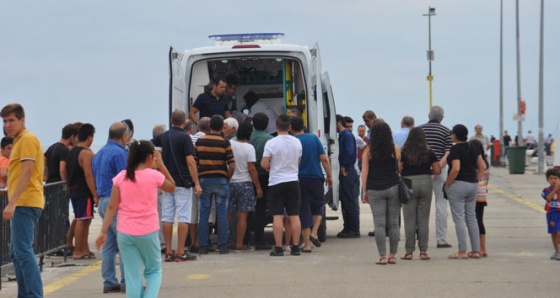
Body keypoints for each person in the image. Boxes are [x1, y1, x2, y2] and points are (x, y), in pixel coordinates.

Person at [95, 141, 175, 298]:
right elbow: (172, 187)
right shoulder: (154, 176)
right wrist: (162, 166)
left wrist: (103, 232)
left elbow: (112, 207)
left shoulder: (121, 177)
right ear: (149, 158)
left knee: (132, 275)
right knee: (153, 270)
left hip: (125, 231)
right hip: (148, 230)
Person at [1, 103, 45, 297]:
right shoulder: (18, 140)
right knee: (17, 252)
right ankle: (25, 293)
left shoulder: (27, 139)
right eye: (5, 121)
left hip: (25, 202)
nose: (8, 125)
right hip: (23, 202)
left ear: (22, 120)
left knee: (23, 252)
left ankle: (34, 294)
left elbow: (27, 172)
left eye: (11, 120)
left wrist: (12, 202)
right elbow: (18, 172)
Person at [152, 109, 201, 262]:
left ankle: (168, 251)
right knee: (184, 216)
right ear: (183, 121)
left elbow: (150, 144)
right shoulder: (185, 138)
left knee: (167, 216)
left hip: (167, 182)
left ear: (172, 121)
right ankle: (180, 251)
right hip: (183, 182)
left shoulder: (164, 136)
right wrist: (197, 183)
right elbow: (190, 162)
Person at [92, 122, 128, 293]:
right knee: (126, 244)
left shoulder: (98, 154)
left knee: (109, 245)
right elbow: (125, 179)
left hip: (102, 200)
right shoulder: (120, 153)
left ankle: (109, 281)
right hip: (116, 202)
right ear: (123, 136)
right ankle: (128, 281)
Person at [261, 115, 303, 256]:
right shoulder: (297, 142)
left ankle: (278, 248)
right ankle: (295, 247)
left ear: (276, 127)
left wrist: (270, 167)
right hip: (292, 181)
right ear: (290, 127)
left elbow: (264, 163)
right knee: (294, 215)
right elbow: (298, 162)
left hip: (276, 182)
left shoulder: (271, 143)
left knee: (277, 216)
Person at [361, 121, 401, 265]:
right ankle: (393, 255)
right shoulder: (395, 148)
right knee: (394, 224)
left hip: (375, 188)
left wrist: (364, 190)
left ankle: (382, 256)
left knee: (379, 224)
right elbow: (398, 169)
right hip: (393, 187)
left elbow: (364, 171)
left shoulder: (368, 150)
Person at [291, 116, 333, 252]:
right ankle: (314, 232)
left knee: (303, 209)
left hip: (299, 179)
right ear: (303, 126)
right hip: (315, 177)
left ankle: (307, 245)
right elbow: (324, 159)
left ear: (290, 128)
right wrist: (330, 176)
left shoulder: (292, 141)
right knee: (318, 205)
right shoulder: (314, 138)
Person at [195, 115, 235, 254]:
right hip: (221, 180)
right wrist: (227, 178)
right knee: (222, 214)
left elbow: (195, 162)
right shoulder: (225, 142)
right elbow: (232, 165)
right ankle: (223, 245)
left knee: (204, 213)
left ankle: (203, 246)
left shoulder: (200, 141)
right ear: (221, 127)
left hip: (204, 180)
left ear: (210, 126)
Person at [399, 127, 441, 261]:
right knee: (423, 219)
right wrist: (429, 173)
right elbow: (438, 169)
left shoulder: (404, 152)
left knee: (409, 219)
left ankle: (409, 252)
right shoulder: (429, 152)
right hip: (425, 182)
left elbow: (398, 169)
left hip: (408, 182)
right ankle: (423, 251)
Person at [445, 124, 485, 259]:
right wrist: (475, 179)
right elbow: (482, 167)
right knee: (472, 218)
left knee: (459, 219)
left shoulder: (455, 149)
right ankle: (475, 250)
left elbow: (455, 168)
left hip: (458, 184)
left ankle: (462, 250)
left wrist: (448, 183)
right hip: (472, 185)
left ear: (455, 135)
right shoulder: (473, 147)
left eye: (452, 133)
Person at [420, 106, 453, 248]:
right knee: (441, 204)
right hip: (441, 171)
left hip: (422, 171)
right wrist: (437, 168)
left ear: (428, 116)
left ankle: (420, 239)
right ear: (442, 118)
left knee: (421, 206)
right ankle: (441, 239)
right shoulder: (446, 131)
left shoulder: (420, 130)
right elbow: (448, 153)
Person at [66, 123, 99, 260]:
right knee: (82, 220)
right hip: (83, 191)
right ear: (90, 137)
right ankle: (78, 250)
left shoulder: (73, 151)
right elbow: (88, 175)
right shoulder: (85, 153)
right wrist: (95, 194)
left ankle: (84, 248)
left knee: (85, 219)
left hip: (74, 190)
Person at [228, 122, 263, 250]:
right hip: (245, 184)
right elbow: (252, 169)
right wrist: (258, 187)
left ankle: (226, 241)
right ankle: (239, 244)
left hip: (230, 182)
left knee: (229, 214)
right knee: (243, 216)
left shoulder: (230, 144)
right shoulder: (249, 148)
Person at [248, 113, 274, 250]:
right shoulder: (270, 139)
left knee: (245, 209)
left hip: (248, 176)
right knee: (261, 208)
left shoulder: (247, 138)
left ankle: (244, 239)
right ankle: (259, 239)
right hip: (264, 176)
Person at [336, 114, 359, 238]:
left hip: (348, 172)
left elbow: (350, 153)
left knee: (350, 201)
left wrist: (344, 166)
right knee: (345, 201)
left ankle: (354, 229)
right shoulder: (342, 136)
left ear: (339, 122)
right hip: (346, 171)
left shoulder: (347, 136)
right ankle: (348, 227)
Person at [470, 139, 490, 258]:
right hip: (482, 194)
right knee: (479, 220)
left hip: (474, 193)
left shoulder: (476, 162)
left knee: (474, 221)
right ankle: (483, 248)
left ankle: (478, 248)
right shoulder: (486, 163)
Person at [541, 168, 560, 260]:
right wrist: (555, 189)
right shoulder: (546, 190)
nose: (553, 180)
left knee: (559, 231)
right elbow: (548, 198)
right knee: (554, 233)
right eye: (551, 178)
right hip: (551, 214)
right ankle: (557, 251)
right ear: (547, 180)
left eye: (555, 178)